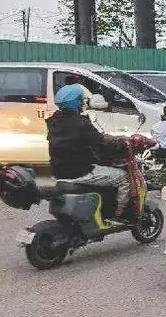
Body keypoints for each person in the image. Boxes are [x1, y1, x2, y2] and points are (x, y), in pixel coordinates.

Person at [46, 84, 131, 218]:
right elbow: (101, 143)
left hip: (59, 170)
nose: (82, 103)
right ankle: (119, 213)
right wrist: (122, 144)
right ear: (75, 103)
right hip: (80, 171)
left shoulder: (53, 121)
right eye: (80, 100)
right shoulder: (81, 123)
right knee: (123, 177)